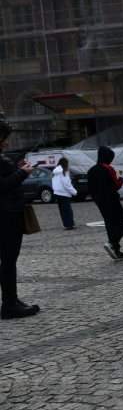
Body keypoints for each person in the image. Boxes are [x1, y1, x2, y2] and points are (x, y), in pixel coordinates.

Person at [0, 121, 40, 319]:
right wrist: (22, 173)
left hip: (9, 211)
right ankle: (9, 304)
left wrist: (18, 171)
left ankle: (12, 299)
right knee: (8, 259)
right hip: (5, 214)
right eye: (5, 137)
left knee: (10, 259)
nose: (7, 142)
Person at [88, 145, 123, 260]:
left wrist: (96, 200)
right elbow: (116, 185)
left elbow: (90, 189)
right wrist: (120, 178)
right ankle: (112, 243)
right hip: (112, 200)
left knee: (110, 224)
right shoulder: (108, 168)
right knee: (122, 224)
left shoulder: (91, 170)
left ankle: (116, 250)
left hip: (100, 202)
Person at [51, 157, 77, 230]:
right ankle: (69, 224)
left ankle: (66, 223)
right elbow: (67, 185)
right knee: (67, 210)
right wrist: (74, 192)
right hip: (64, 193)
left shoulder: (55, 172)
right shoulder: (63, 172)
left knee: (62, 210)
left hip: (57, 193)